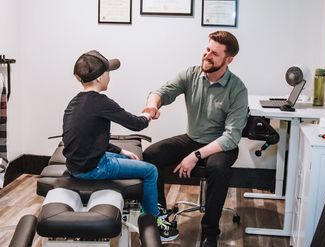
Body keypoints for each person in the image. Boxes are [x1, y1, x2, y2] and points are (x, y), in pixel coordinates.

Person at [142, 31, 248, 247]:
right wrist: (153, 105)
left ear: (228, 60)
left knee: (218, 170)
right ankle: (160, 218)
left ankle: (210, 233)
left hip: (221, 145)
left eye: (214, 54)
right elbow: (162, 91)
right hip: (193, 138)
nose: (206, 56)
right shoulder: (191, 74)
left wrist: (195, 155)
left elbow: (231, 136)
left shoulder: (237, 89)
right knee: (150, 155)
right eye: (207, 49)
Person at [62, 50, 179, 242]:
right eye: (108, 72)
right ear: (100, 78)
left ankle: (146, 204)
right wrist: (150, 113)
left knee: (130, 158)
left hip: (77, 166)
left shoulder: (74, 102)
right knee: (150, 171)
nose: (110, 76)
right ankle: (153, 222)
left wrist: (120, 150)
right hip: (94, 169)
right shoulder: (101, 102)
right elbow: (137, 123)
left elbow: (87, 138)